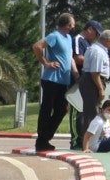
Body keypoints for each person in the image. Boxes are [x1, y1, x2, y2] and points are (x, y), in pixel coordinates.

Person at [32, 13, 79, 153]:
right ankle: (42, 141)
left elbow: (69, 57)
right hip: (51, 79)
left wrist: (75, 73)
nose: (73, 26)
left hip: (63, 80)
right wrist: (46, 63)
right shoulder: (55, 35)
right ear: (68, 25)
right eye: (72, 24)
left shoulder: (68, 38)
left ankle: (45, 137)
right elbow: (37, 46)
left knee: (62, 109)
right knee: (47, 109)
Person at [78, 23, 110, 142]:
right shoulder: (98, 51)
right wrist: (100, 89)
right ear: (107, 40)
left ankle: (92, 140)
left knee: (94, 110)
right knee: (92, 113)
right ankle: (87, 143)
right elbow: (95, 73)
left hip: (92, 80)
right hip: (92, 81)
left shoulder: (98, 49)